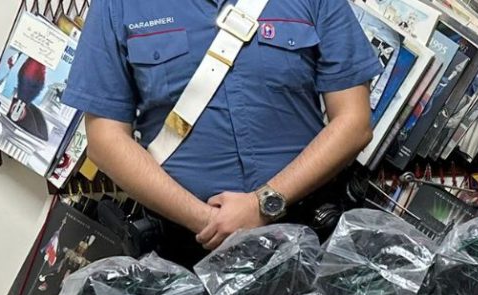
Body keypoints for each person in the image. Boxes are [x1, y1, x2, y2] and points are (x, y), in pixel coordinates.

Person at [63, 0, 382, 266]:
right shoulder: (117, 5)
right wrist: (208, 223)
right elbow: (105, 140)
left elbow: (354, 122)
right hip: (188, 251)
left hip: (309, 235)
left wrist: (263, 204)